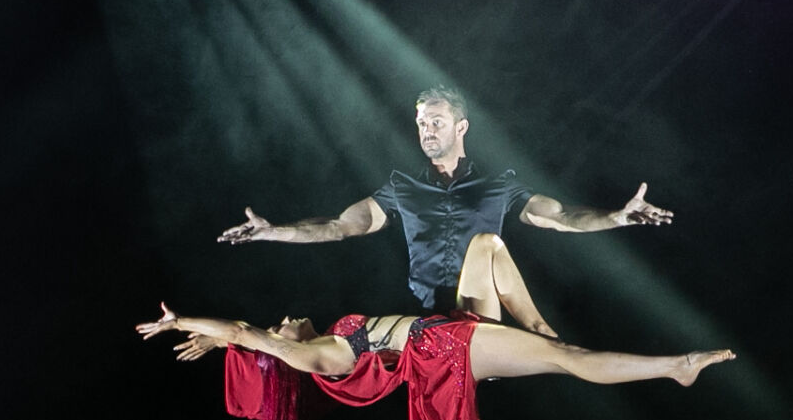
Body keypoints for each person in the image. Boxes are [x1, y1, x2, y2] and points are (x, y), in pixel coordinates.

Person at [139, 233, 735, 420]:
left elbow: (244, 335)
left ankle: (543, 336)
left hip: (452, 329)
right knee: (572, 359)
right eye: (278, 330)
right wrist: (187, 323)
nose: (283, 319)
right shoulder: (315, 356)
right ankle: (674, 367)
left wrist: (221, 342)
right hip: (447, 354)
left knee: (487, 245)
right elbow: (249, 331)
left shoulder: (327, 336)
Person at [216, 85, 672, 338]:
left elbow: (560, 216)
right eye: (420, 124)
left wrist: (617, 216)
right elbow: (340, 225)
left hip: (481, 311)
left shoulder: (499, 184)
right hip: (430, 319)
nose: (426, 130)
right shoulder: (403, 187)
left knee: (486, 246)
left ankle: (538, 334)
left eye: (436, 122)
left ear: (461, 126)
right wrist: (273, 231)